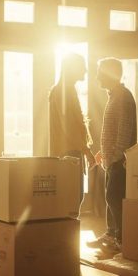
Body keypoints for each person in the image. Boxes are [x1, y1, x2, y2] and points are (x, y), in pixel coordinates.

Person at [86, 57, 137, 253]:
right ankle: (111, 233)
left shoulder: (123, 97)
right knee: (110, 197)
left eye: (100, 71)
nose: (97, 75)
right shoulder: (114, 95)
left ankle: (122, 239)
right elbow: (113, 130)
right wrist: (103, 153)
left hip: (119, 160)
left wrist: (115, 156)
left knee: (114, 197)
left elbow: (124, 132)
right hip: (112, 158)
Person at [49, 53, 95, 211]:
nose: (86, 70)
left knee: (73, 197)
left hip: (69, 151)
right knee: (72, 198)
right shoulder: (63, 91)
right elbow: (69, 127)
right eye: (82, 66)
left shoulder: (66, 90)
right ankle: (68, 234)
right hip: (68, 153)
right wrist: (86, 150)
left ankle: (69, 233)